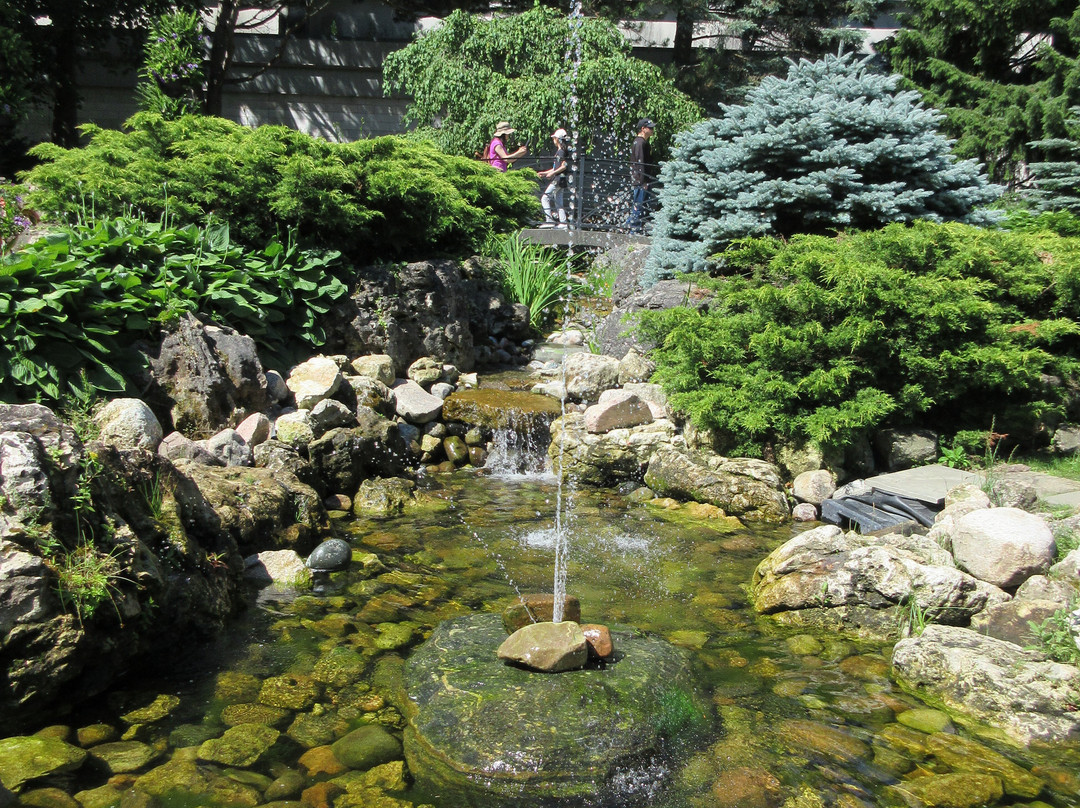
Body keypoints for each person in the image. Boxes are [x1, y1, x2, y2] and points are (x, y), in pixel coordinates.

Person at [537, 127, 571, 228]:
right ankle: (563, 222)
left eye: (554, 138)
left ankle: (549, 221)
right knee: (558, 200)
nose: (553, 140)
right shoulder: (561, 152)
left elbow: (564, 166)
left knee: (545, 198)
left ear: (558, 139)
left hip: (557, 180)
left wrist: (553, 174)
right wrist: (544, 173)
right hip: (561, 180)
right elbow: (555, 167)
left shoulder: (561, 152)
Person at [626, 117, 655, 233]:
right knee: (638, 207)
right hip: (641, 182)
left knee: (642, 207)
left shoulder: (642, 143)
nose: (652, 130)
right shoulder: (639, 143)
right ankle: (632, 231)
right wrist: (643, 182)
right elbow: (639, 164)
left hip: (643, 181)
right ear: (643, 129)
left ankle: (633, 229)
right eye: (650, 128)